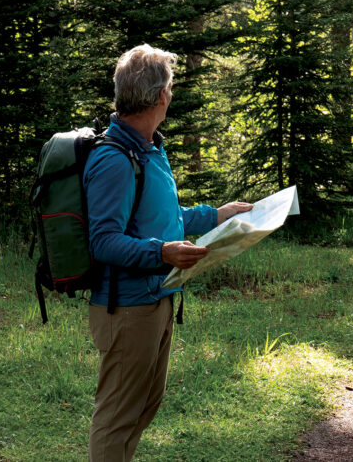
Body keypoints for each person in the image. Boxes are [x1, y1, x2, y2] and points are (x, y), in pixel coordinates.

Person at [84, 44, 252, 461]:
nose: (172, 95)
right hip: (126, 308)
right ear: (160, 96)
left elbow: (163, 216)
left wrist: (216, 216)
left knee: (144, 405)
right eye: (171, 87)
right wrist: (162, 253)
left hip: (157, 297)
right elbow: (103, 240)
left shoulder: (149, 148)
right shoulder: (115, 158)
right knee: (117, 417)